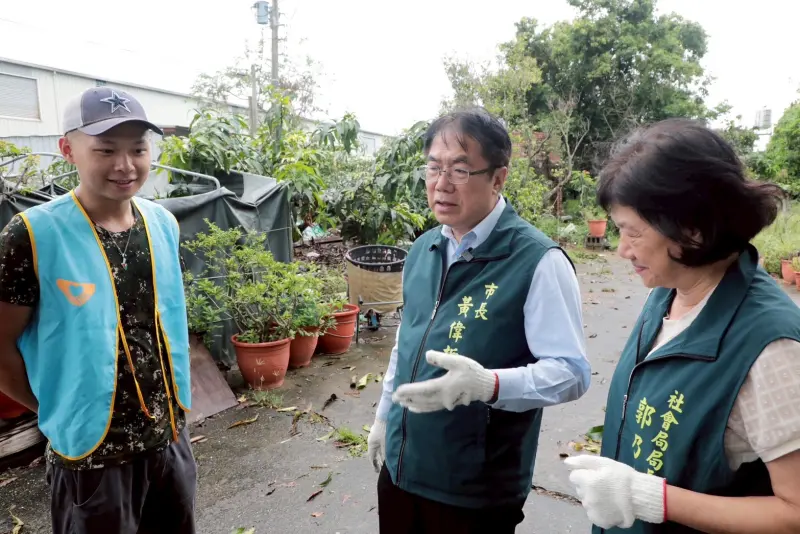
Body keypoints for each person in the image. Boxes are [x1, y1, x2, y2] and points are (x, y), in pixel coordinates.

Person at [564, 119, 800, 533]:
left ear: (692, 230)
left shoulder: (772, 348)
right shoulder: (668, 291)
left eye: (633, 233)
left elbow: (794, 511)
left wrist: (652, 498)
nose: (622, 250)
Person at [366, 108, 591, 533]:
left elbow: (571, 372)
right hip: (401, 470)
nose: (441, 183)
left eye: (460, 169)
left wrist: (490, 385)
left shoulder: (537, 261)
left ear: (498, 178)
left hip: (473, 492)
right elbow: (405, 343)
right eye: (433, 167)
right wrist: (383, 417)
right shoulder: (423, 249)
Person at [0, 87, 195, 534]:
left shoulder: (162, 223)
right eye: (106, 150)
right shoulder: (31, 235)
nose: (125, 166)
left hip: (169, 441)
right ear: (68, 149)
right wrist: (53, 408)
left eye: (138, 150)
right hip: (92, 460)